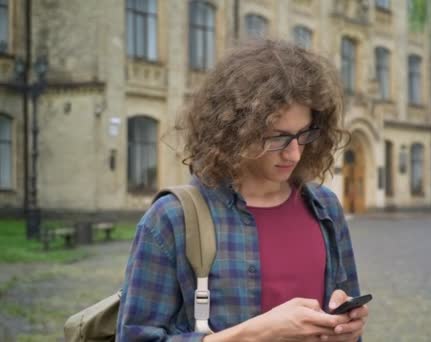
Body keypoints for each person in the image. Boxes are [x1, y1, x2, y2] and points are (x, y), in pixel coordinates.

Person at [116, 39, 369, 341]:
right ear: (235, 130)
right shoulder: (172, 218)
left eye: (304, 135)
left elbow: (347, 323)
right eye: (277, 138)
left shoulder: (325, 207)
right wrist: (257, 333)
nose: (294, 154)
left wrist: (346, 332)